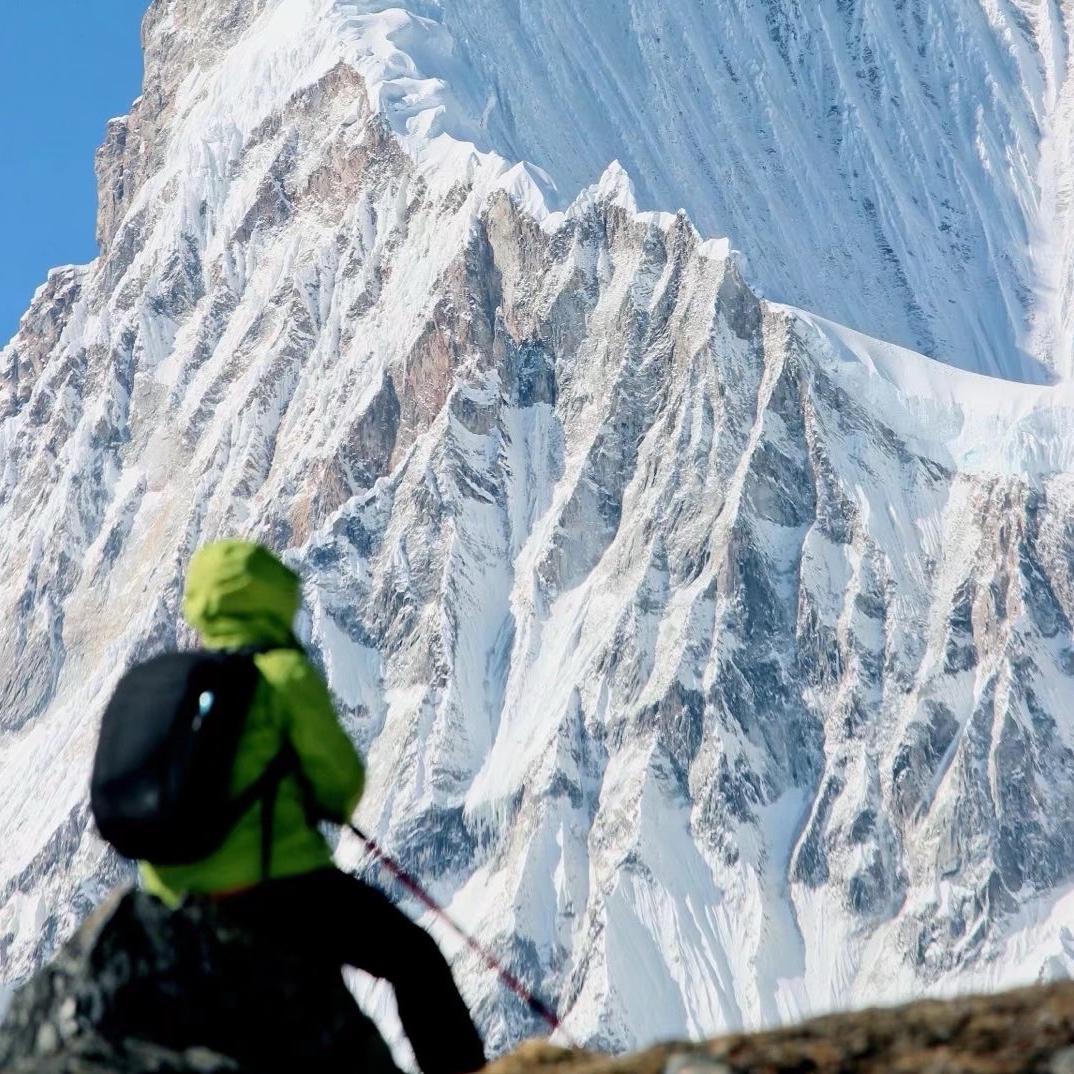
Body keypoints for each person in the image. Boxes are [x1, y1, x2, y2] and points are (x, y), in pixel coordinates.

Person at [141, 539, 486, 1074]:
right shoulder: (282, 674)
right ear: (272, 596)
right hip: (280, 889)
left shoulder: (168, 688)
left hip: (180, 904)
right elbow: (340, 783)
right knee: (413, 957)